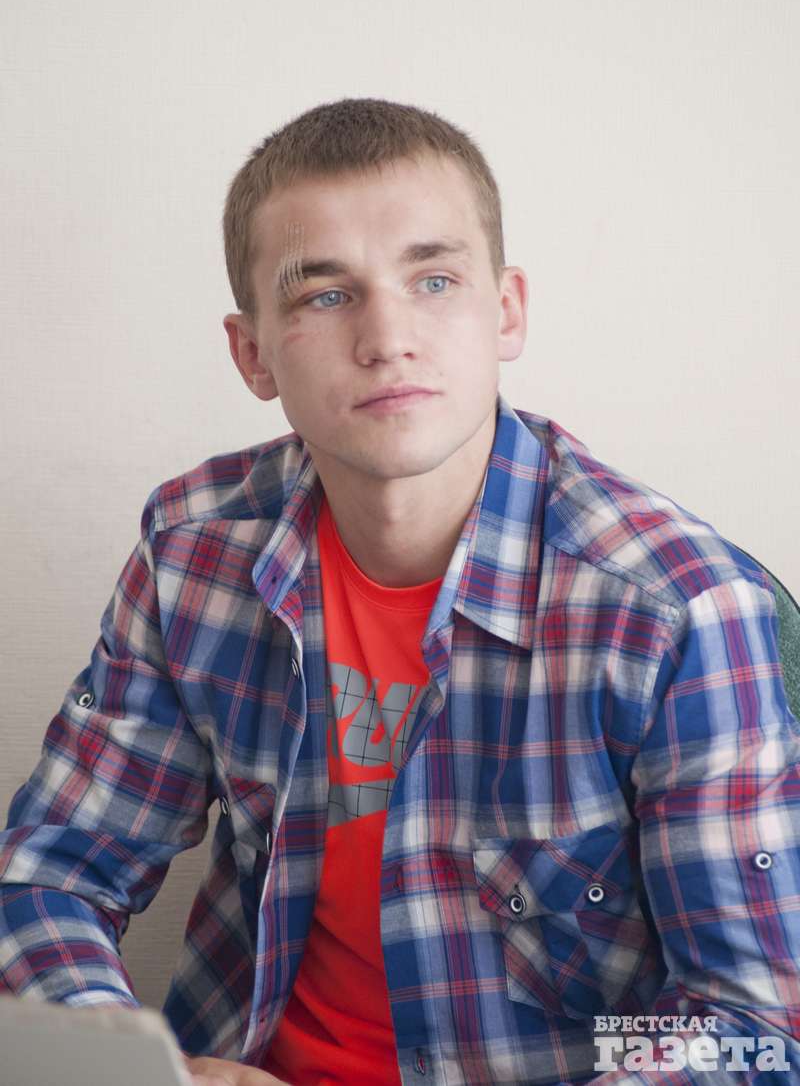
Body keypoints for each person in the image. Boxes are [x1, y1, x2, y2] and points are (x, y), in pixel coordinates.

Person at [1, 98, 798, 1086]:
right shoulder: (193, 550)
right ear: (253, 353)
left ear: (506, 310)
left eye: (433, 280)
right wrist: (133, 1066)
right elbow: (52, 872)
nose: (387, 337)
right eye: (325, 294)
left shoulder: (675, 608)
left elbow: (750, 1026)